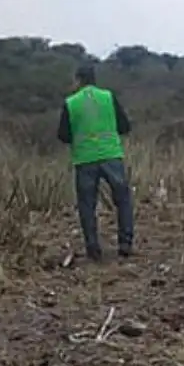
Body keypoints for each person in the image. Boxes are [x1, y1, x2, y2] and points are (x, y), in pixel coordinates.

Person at [57, 64, 135, 261]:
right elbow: (125, 126)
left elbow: (63, 135)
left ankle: (93, 249)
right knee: (123, 200)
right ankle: (125, 243)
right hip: (111, 155)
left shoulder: (71, 102)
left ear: (78, 79)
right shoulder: (108, 97)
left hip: (85, 159)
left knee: (87, 205)